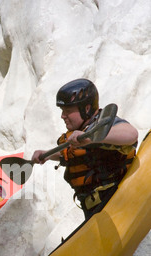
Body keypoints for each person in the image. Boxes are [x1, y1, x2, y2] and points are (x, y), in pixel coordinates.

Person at [32, 78, 138, 220]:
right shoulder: (78, 133)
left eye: (68, 111)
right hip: (94, 210)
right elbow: (70, 153)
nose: (62, 116)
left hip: (116, 202)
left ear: (86, 108)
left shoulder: (101, 125)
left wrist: (93, 137)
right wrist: (47, 155)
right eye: (62, 111)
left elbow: (131, 134)